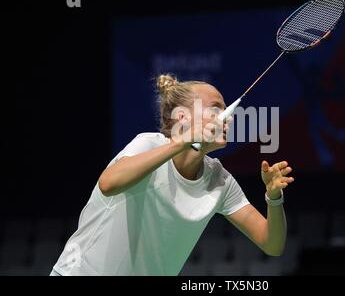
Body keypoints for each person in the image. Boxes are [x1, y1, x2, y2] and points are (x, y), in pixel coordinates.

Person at [51, 74, 295, 276]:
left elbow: (272, 244)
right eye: (215, 108)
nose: (227, 116)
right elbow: (108, 183)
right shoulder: (149, 145)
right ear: (182, 117)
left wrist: (273, 198)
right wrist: (183, 141)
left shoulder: (219, 180)